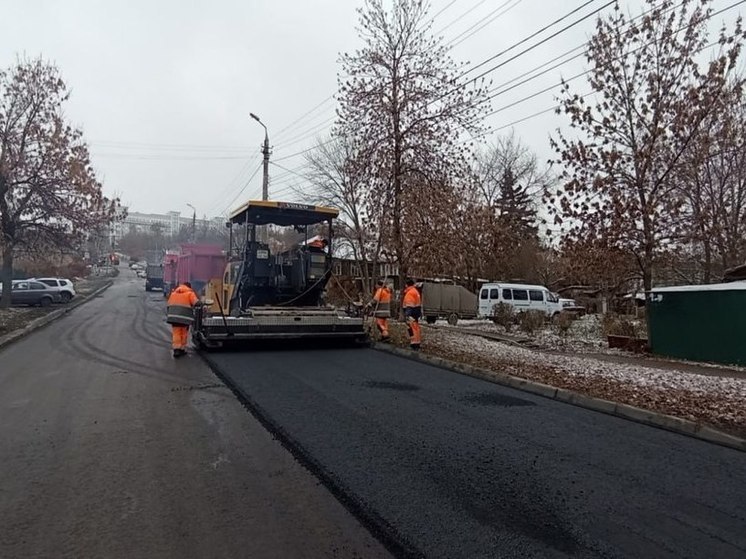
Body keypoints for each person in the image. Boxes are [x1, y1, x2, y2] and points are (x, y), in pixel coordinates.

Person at [166, 281, 199, 358]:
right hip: (185, 318)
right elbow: (196, 303)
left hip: (173, 317)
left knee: (176, 333)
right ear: (189, 287)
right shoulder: (190, 293)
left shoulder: (173, 293)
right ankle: (182, 349)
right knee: (184, 333)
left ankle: (176, 350)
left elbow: (168, 305)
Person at [402, 278, 422, 350]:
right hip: (416, 312)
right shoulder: (415, 291)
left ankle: (413, 343)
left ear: (407, 285)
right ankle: (417, 342)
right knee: (416, 328)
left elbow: (409, 305)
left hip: (411, 313)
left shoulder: (410, 293)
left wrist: (407, 315)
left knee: (411, 328)